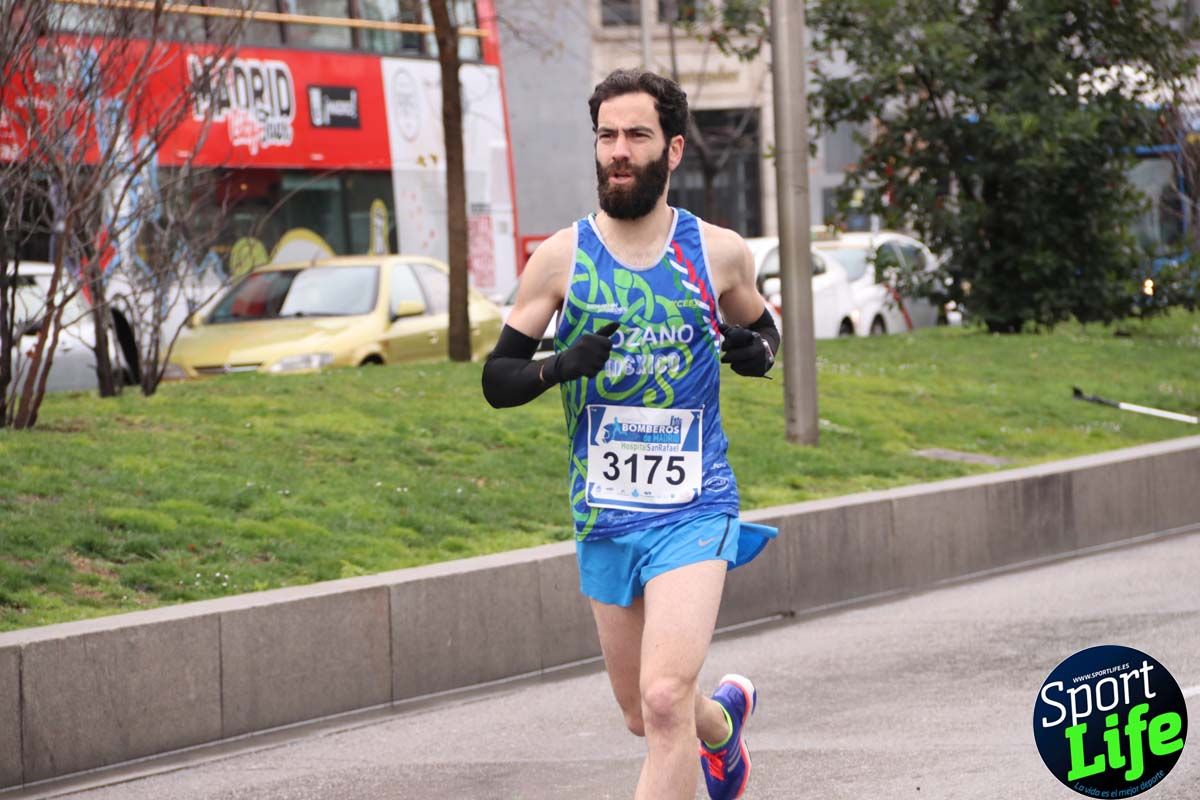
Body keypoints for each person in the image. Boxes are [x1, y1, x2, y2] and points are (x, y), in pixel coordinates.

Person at [482, 68, 780, 800]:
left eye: (637, 135)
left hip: (695, 506)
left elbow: (765, 330)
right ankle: (723, 728)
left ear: (672, 150)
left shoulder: (716, 252)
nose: (619, 150)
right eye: (607, 135)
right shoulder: (561, 258)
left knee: (662, 698)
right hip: (606, 512)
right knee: (642, 715)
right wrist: (562, 364)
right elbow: (499, 378)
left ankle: (702, 733)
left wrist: (757, 353)